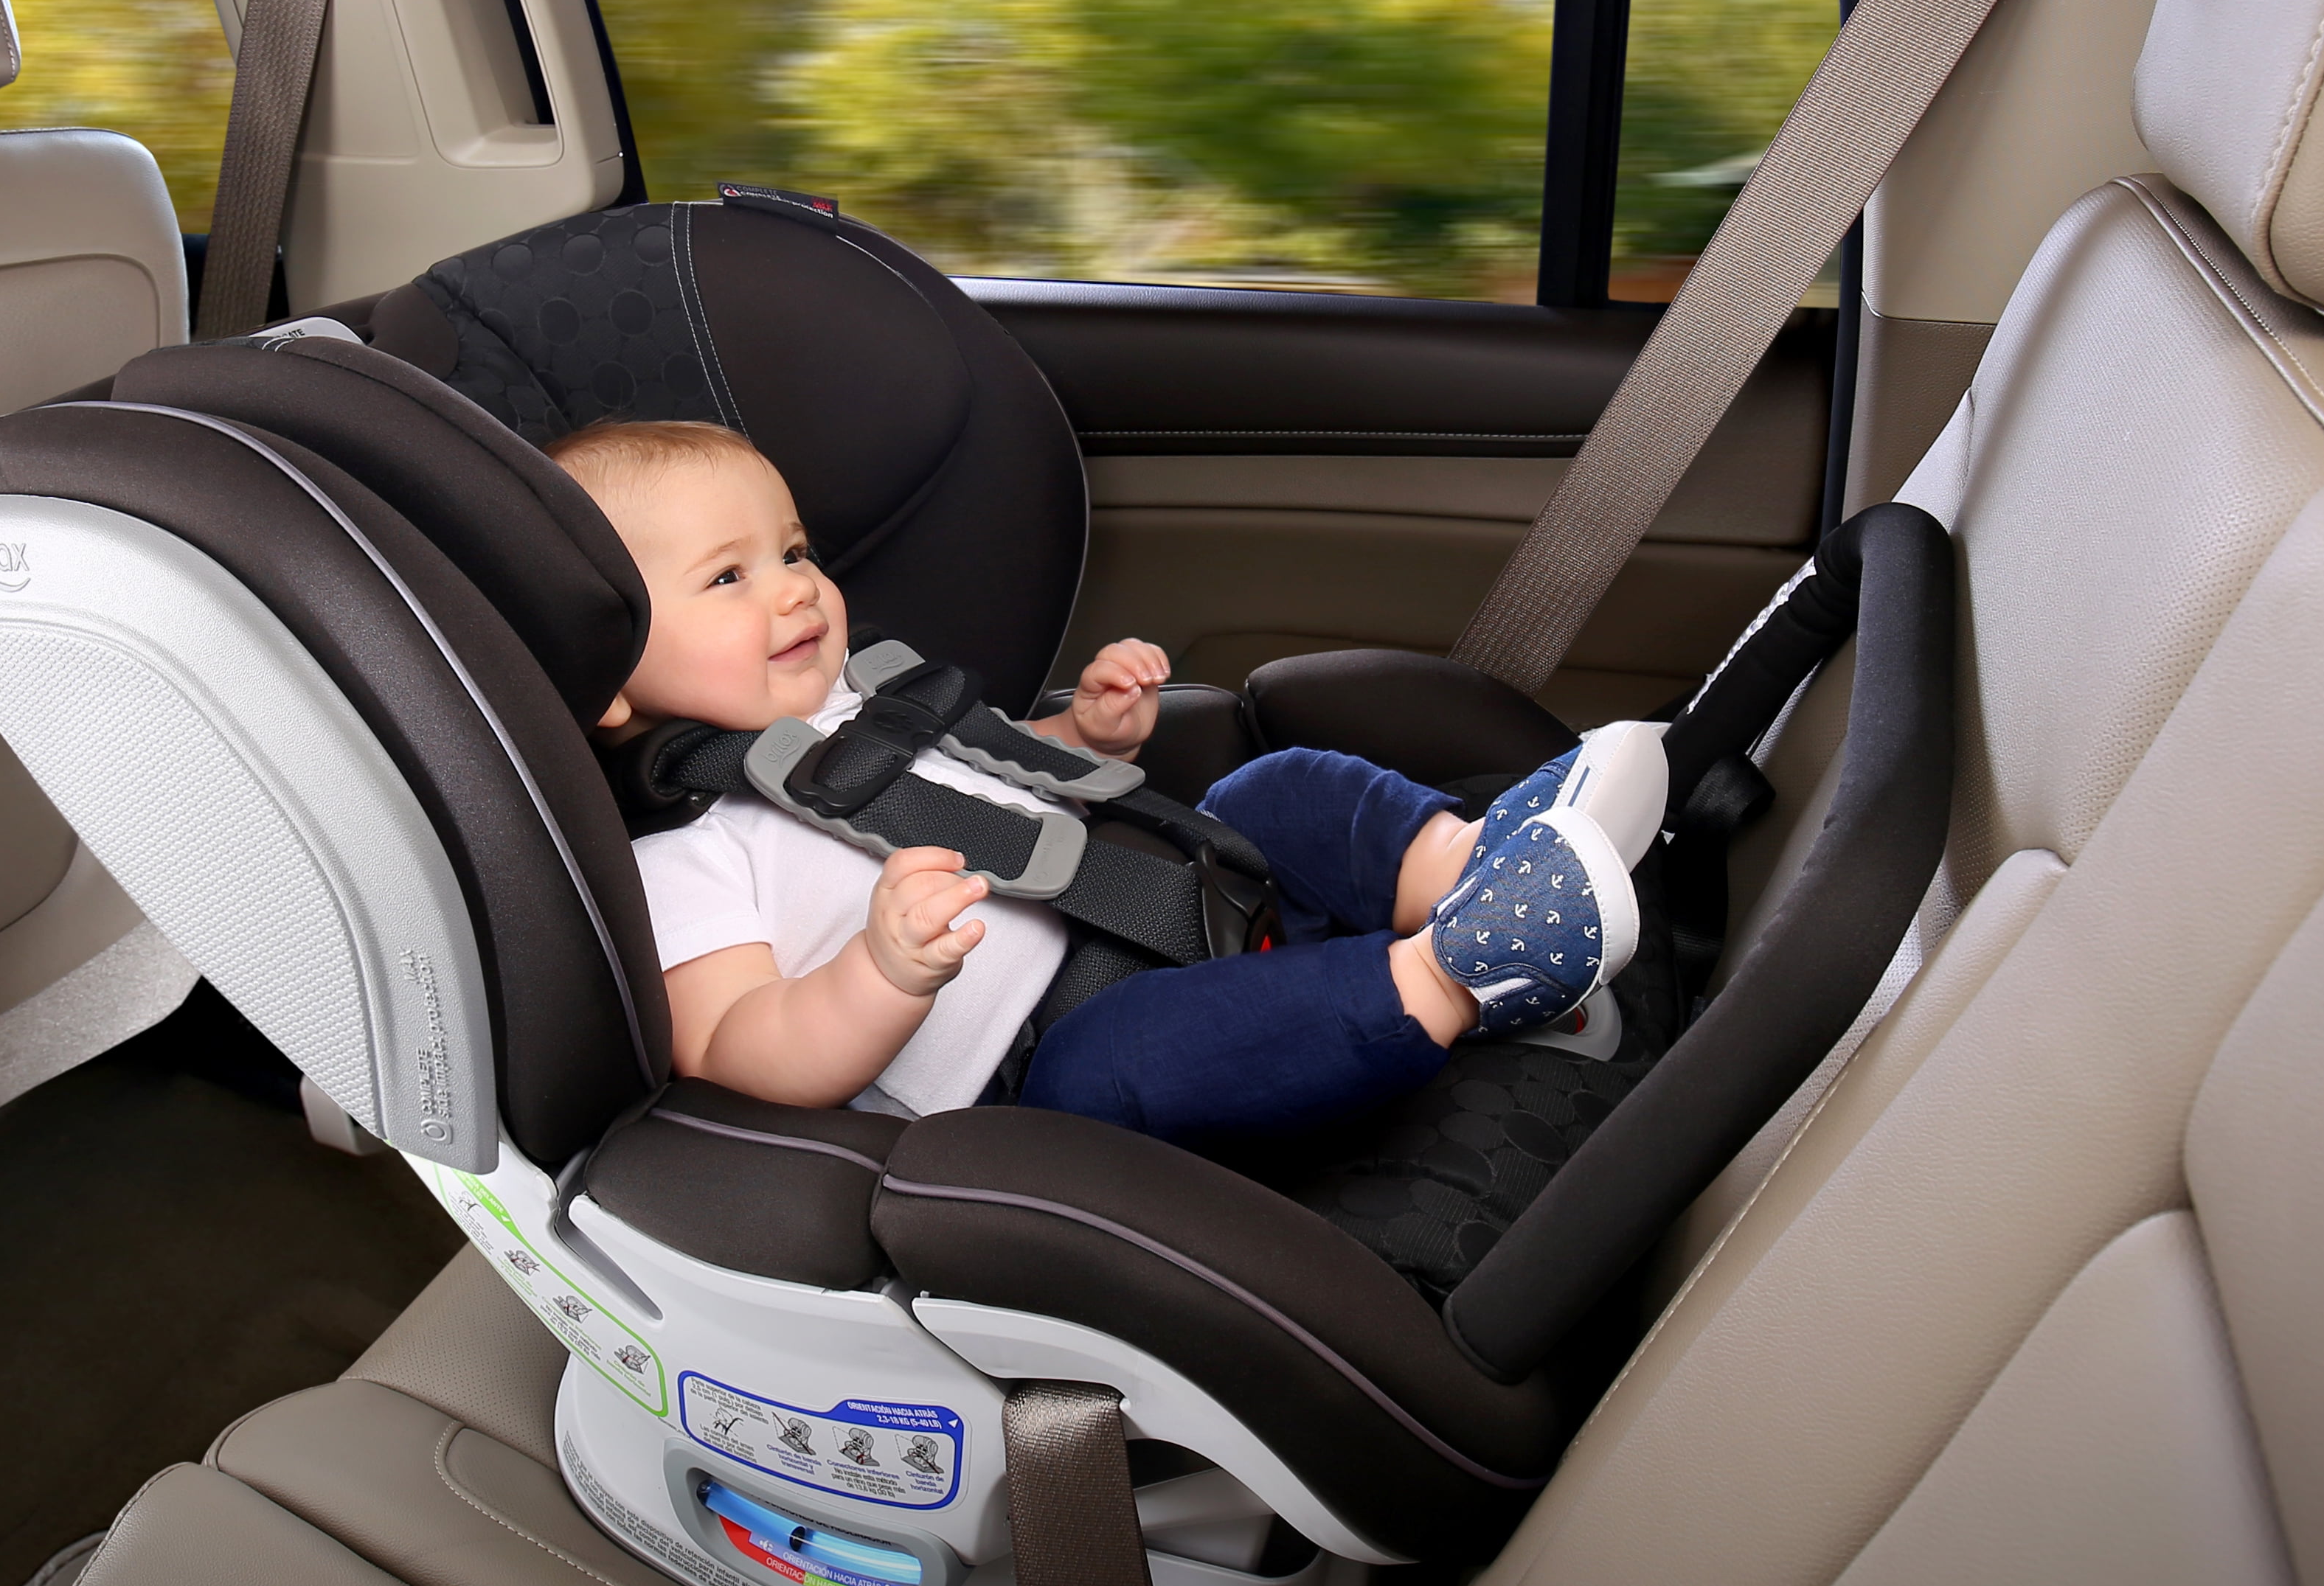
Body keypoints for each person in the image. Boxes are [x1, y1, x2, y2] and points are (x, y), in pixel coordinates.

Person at [549, 416, 1668, 1140]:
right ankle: (1467, 973)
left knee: (1275, 789)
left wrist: (1086, 736)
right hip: (1048, 1069)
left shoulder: (867, 703)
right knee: (1122, 1058)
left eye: (794, 553)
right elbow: (734, 1052)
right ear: (608, 682)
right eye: (728, 578)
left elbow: (1017, 793)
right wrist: (877, 974)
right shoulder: (683, 855)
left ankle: (1481, 862)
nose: (794, 590)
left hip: (1184, 899)